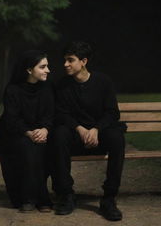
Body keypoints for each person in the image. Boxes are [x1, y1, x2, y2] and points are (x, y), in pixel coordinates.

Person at [50, 41, 126, 221]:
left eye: (70, 60)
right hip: (75, 137)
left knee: (116, 138)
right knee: (59, 134)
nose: (65, 64)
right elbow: (60, 113)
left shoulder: (103, 81)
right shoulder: (62, 85)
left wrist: (96, 129)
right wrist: (79, 128)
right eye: (65, 60)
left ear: (83, 61)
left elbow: (112, 112)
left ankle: (109, 198)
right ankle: (66, 195)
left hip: (99, 136)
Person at [0, 50, 54, 213]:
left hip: (39, 134)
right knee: (27, 146)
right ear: (29, 70)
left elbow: (50, 114)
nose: (48, 70)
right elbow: (11, 120)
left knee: (43, 147)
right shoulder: (12, 90)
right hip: (13, 135)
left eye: (47, 66)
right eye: (43, 67)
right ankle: (34, 198)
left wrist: (45, 129)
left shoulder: (46, 88)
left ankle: (31, 198)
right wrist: (29, 133)